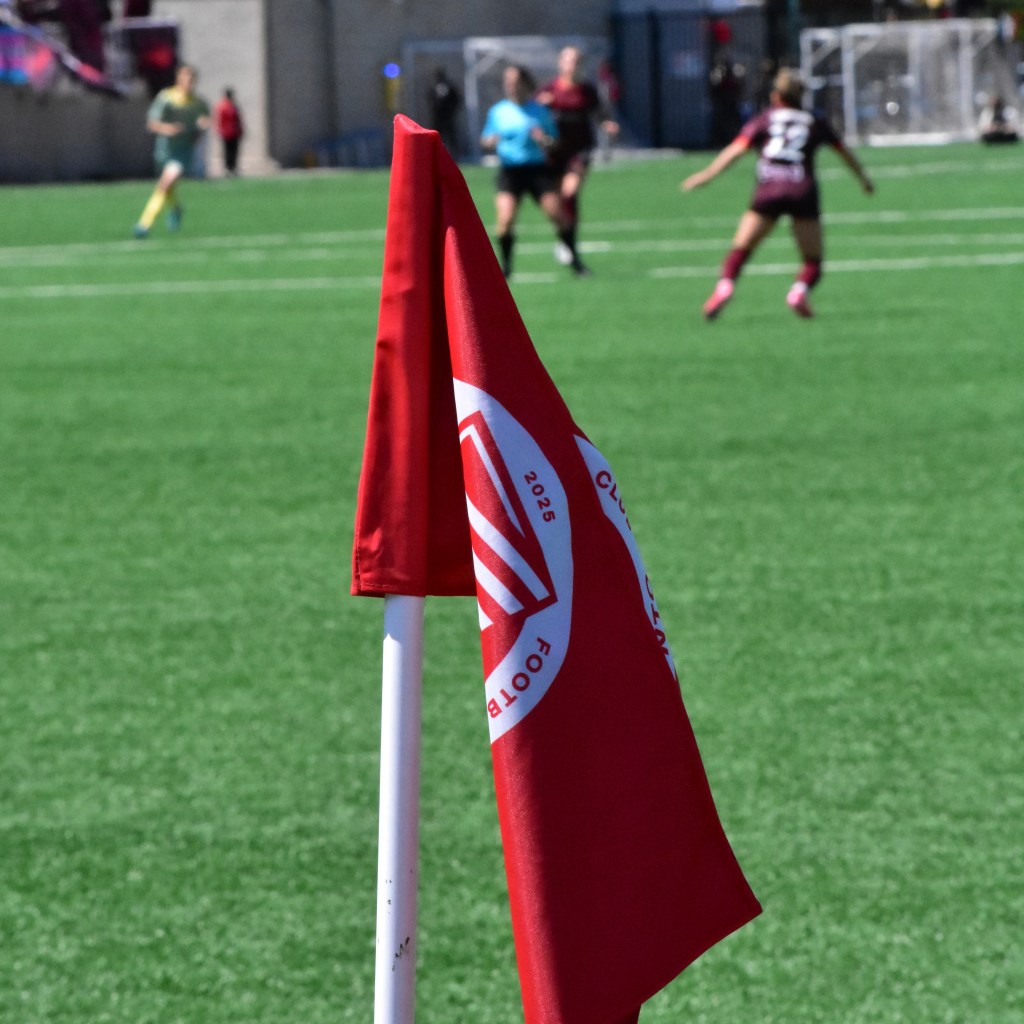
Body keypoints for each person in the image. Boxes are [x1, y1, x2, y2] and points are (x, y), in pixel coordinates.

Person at [682, 67, 874, 320]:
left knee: (741, 249)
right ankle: (798, 292)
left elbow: (736, 150)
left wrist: (706, 175)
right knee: (812, 260)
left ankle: (725, 287)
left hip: (768, 189)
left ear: (776, 96)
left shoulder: (764, 120)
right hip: (802, 190)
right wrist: (863, 179)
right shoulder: (813, 121)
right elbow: (844, 152)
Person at [481, 64, 586, 279]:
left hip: (537, 171)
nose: (511, 86)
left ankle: (575, 261)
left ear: (524, 84)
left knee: (558, 216)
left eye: (515, 81)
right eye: (508, 82)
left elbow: (554, 143)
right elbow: (486, 139)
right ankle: (506, 268)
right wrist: (491, 141)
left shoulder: (539, 111)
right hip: (510, 172)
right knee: (505, 220)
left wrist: (544, 140)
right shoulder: (498, 112)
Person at [536, 45, 619, 273]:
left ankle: (569, 247)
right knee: (554, 205)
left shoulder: (586, 90)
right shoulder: (549, 90)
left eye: (577, 61)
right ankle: (565, 239)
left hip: (579, 151)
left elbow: (599, 113)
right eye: (569, 60)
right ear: (560, 64)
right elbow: (533, 116)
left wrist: (607, 124)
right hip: (553, 153)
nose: (573, 65)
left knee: (569, 192)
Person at [133, 63, 210, 238]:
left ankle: (144, 224)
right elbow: (152, 124)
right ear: (178, 79)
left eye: (192, 79)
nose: (188, 82)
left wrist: (200, 129)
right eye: (185, 78)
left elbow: (204, 120)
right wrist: (167, 129)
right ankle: (176, 208)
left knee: (165, 183)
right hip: (165, 150)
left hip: (182, 152)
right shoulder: (166, 98)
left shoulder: (197, 103)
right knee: (167, 187)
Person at [428, 66, 461, 156]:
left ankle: (455, 154)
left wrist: (452, 110)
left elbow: (456, 99)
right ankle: (434, 153)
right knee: (435, 135)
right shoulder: (433, 87)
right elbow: (430, 99)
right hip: (437, 117)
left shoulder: (449, 87)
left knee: (451, 136)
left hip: (448, 116)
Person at [214, 86, 244, 175]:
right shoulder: (223, 106)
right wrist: (220, 130)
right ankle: (227, 167)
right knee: (227, 151)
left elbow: (238, 119)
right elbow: (220, 120)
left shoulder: (234, 106)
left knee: (235, 150)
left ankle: (234, 167)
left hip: (234, 132)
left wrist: (241, 129)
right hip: (226, 132)